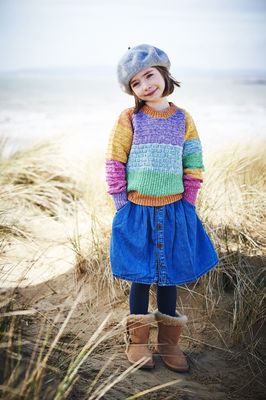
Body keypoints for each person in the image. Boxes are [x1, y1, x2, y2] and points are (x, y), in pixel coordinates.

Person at [105, 44, 218, 372]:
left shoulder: (183, 118)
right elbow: (115, 160)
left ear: (164, 73)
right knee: (141, 277)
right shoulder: (130, 118)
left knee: (169, 277)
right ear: (132, 91)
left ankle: (169, 344)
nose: (145, 85)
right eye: (136, 83)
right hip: (137, 210)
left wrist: (189, 201)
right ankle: (138, 342)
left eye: (149, 75)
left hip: (173, 209)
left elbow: (193, 162)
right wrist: (121, 202)